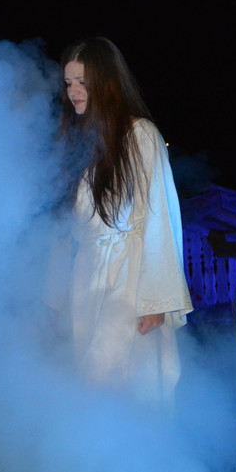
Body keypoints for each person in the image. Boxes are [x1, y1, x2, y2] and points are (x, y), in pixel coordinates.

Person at [53, 36, 193, 407]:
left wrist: (155, 300)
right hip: (88, 280)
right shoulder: (84, 143)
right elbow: (67, 232)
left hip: (127, 281)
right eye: (68, 83)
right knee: (90, 387)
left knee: (112, 380)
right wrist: (56, 296)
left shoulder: (140, 135)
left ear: (107, 83)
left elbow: (160, 216)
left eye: (82, 82)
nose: (73, 91)